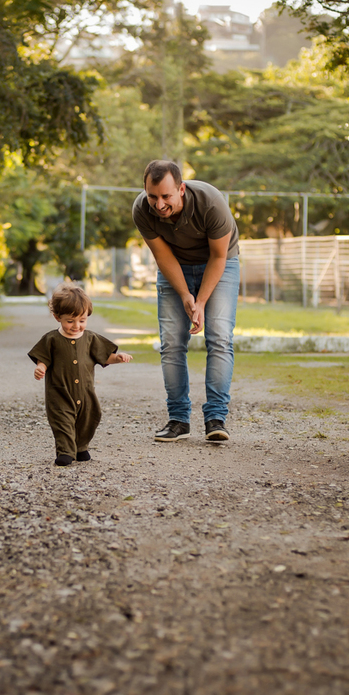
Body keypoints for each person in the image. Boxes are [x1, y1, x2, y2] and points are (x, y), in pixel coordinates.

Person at [131, 160, 240, 443]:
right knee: (171, 343)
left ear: (181, 188)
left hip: (219, 263)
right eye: (152, 196)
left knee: (219, 338)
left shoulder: (211, 203)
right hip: (175, 266)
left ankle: (216, 418)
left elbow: (219, 256)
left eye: (166, 196)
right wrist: (185, 295)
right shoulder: (142, 209)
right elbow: (162, 256)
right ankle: (178, 420)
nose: (158, 204)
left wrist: (200, 302)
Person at [29, 283, 132, 466]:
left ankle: (81, 446)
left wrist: (118, 358)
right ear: (57, 317)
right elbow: (43, 357)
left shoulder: (91, 338)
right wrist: (41, 368)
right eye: (70, 321)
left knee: (89, 418)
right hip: (60, 392)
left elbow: (105, 357)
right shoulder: (51, 339)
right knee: (63, 421)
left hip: (85, 392)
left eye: (82, 320)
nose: (77, 326)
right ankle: (65, 452)